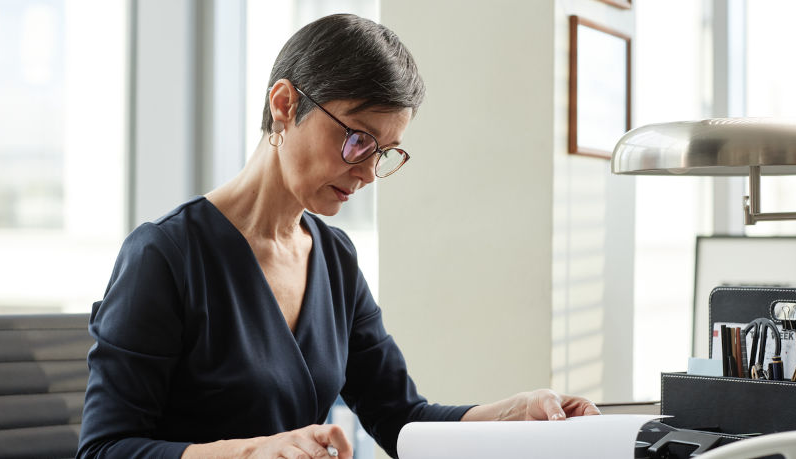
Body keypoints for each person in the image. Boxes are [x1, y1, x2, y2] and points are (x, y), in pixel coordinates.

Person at [77, 13, 599, 459]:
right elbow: (105, 448)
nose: (369, 172)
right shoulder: (164, 256)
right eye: (357, 139)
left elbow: (399, 416)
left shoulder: (334, 257)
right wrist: (252, 450)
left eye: (385, 151)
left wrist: (514, 413)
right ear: (284, 104)